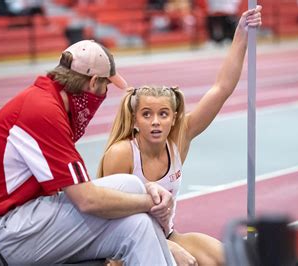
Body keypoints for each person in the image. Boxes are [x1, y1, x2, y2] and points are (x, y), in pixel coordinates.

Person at [0, 40, 176, 265]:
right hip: (6, 231)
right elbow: (87, 200)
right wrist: (150, 203)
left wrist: (147, 200)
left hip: (21, 219)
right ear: (94, 81)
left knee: (137, 224)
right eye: (105, 86)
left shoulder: (47, 99)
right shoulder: (43, 111)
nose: (104, 93)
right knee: (135, 193)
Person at [98, 6, 262, 266]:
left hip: (167, 234)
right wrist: (169, 249)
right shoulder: (121, 154)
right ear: (135, 120)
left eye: (163, 114)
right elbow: (109, 220)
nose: (155, 122)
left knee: (231, 258)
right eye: (147, 114)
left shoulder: (178, 141)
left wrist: (241, 33)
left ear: (173, 118)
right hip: (121, 246)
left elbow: (221, 88)